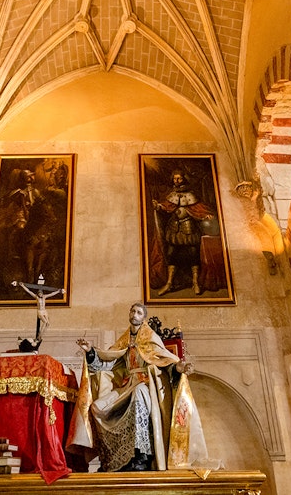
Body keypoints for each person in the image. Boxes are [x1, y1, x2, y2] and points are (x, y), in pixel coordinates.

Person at [71, 302, 204, 472]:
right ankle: (113, 457)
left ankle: (141, 455)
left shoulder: (150, 339)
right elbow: (107, 363)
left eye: (139, 312)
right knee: (97, 407)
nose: (134, 314)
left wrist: (179, 367)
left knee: (138, 395)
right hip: (125, 386)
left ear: (143, 318)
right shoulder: (124, 342)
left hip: (145, 385)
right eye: (132, 311)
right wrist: (90, 351)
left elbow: (165, 361)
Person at [152, 169, 215, 295]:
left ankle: (195, 283)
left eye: (179, 178)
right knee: (171, 255)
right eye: (175, 178)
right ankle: (169, 284)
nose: (177, 181)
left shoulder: (191, 195)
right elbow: (167, 206)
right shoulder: (172, 195)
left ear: (184, 179)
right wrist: (158, 206)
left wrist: (205, 215)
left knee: (193, 254)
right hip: (174, 228)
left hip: (189, 228)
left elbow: (199, 209)